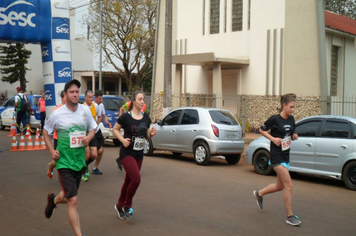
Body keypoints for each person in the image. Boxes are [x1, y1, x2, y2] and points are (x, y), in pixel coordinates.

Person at [43, 79, 97, 236]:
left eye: (77, 91)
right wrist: (52, 151)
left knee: (68, 196)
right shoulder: (57, 113)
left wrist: (88, 137)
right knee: (73, 200)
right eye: (71, 92)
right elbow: (46, 132)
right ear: (65, 95)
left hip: (79, 162)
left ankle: (53, 201)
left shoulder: (85, 111)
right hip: (64, 162)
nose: (75, 94)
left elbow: (93, 128)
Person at [253, 93, 301, 226]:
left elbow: (292, 134)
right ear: (284, 105)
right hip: (276, 157)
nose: (292, 110)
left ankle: (259, 193)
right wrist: (273, 139)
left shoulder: (291, 119)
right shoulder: (274, 120)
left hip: (286, 156)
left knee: (280, 186)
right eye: (291, 107)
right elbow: (261, 130)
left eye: (294, 107)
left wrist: (295, 136)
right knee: (289, 186)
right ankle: (290, 216)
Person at [113, 90, 156, 219]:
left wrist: (151, 134)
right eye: (140, 99)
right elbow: (115, 129)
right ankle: (127, 205)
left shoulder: (146, 118)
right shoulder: (126, 117)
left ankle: (119, 206)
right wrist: (122, 140)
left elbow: (146, 136)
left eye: (143, 99)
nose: (142, 101)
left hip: (139, 153)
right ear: (133, 101)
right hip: (126, 153)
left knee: (128, 181)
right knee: (136, 179)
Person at [81, 90, 101, 181]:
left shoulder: (95, 106)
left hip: (92, 132)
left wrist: (96, 125)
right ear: (85, 98)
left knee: (94, 155)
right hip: (84, 133)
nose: (91, 99)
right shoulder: (82, 107)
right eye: (89, 97)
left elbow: (99, 117)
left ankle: (84, 166)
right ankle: (84, 171)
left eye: (92, 97)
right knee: (87, 154)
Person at [90, 90, 111, 175]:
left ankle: (95, 168)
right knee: (96, 151)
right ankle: (84, 166)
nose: (101, 100)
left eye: (102, 98)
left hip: (98, 130)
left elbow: (103, 116)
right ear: (95, 98)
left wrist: (107, 122)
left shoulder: (101, 105)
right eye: (99, 98)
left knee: (101, 150)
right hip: (92, 131)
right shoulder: (92, 106)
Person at [47, 90, 66, 179]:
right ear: (62, 98)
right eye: (65, 98)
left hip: (69, 139)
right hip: (58, 138)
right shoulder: (56, 110)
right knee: (58, 158)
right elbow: (48, 129)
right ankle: (51, 167)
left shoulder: (73, 109)